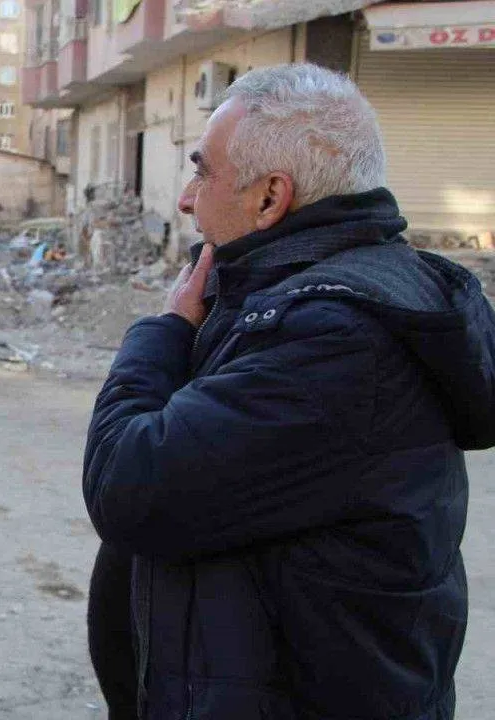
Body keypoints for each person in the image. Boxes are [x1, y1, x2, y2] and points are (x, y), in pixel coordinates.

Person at [83, 63, 495, 719]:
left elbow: (128, 483)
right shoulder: (289, 297)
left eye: (203, 174)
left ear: (271, 198)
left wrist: (164, 332)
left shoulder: (335, 337)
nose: (186, 200)